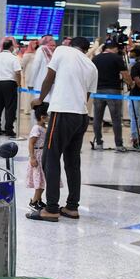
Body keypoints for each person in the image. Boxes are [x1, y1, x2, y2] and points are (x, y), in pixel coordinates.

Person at [27, 36, 97, 222]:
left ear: (70, 44)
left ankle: (51, 208)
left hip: (62, 112)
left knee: (50, 158)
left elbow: (49, 78)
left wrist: (40, 99)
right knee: (72, 161)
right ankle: (72, 207)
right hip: (81, 116)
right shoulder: (91, 66)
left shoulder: (62, 51)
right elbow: (86, 95)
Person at [91, 42, 133, 152]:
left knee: (97, 118)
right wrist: (130, 83)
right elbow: (125, 74)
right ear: (114, 48)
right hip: (113, 91)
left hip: (98, 91)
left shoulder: (95, 58)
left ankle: (98, 143)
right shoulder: (117, 58)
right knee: (116, 118)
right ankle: (118, 145)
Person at [0, 37, 22, 137]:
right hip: (9, 83)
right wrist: (19, 84)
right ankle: (9, 130)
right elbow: (17, 72)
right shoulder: (13, 58)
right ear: (11, 47)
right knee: (10, 108)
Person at [26, 107, 55, 211]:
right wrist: (32, 157)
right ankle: (33, 201)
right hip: (38, 156)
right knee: (40, 180)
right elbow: (31, 143)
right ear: (42, 117)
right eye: (49, 116)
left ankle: (38, 200)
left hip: (44, 155)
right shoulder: (36, 128)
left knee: (43, 179)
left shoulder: (44, 127)